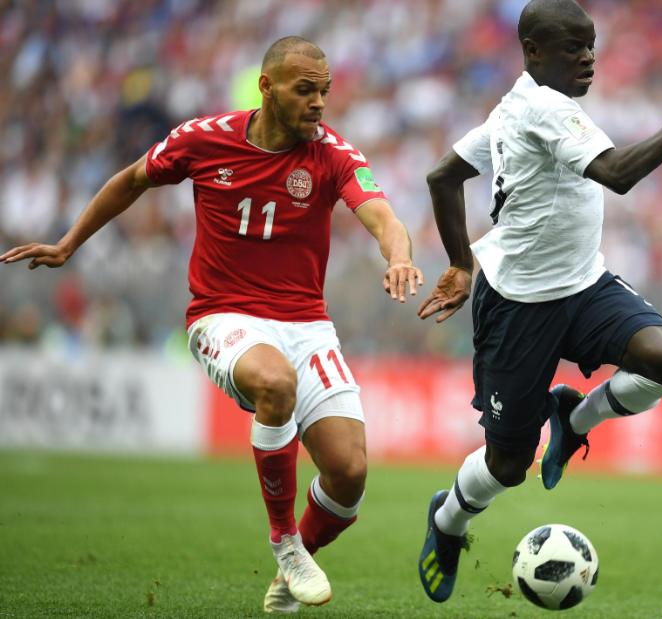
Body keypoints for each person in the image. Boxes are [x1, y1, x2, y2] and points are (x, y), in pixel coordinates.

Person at [1, 36, 423, 614]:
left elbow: (382, 214)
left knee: (349, 474)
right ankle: (286, 543)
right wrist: (70, 243)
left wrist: (398, 255)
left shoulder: (332, 154)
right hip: (223, 315)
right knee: (274, 384)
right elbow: (131, 180)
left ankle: (292, 565)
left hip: (307, 326)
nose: (320, 103)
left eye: (324, 90)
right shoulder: (203, 139)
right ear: (267, 88)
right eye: (306, 90)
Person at [414, 0, 662, 604]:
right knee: (508, 466)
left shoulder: (516, 109)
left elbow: (443, 176)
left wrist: (460, 259)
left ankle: (573, 419)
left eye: (591, 44)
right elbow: (616, 172)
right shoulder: (544, 110)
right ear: (533, 52)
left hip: (584, 286)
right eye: (571, 47)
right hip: (517, 307)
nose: (588, 57)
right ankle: (447, 520)